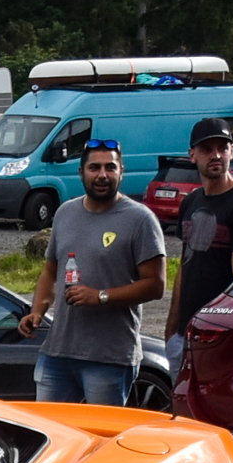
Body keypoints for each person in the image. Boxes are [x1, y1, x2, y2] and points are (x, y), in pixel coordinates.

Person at [17, 141, 165, 403]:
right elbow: (51, 271)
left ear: (121, 171)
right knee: (54, 435)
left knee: (100, 436)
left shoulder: (140, 219)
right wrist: (36, 311)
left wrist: (101, 296)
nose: (102, 175)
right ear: (81, 172)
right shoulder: (65, 213)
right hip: (58, 353)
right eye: (94, 167)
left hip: (109, 357)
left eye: (110, 167)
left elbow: (155, 284)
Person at [165, 117, 233, 371]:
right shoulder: (191, 202)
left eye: (222, 148)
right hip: (185, 334)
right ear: (192, 155)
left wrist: (227, 342)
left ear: (232, 152)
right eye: (206, 149)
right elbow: (185, 268)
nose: (216, 155)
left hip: (218, 340)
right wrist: (172, 326)